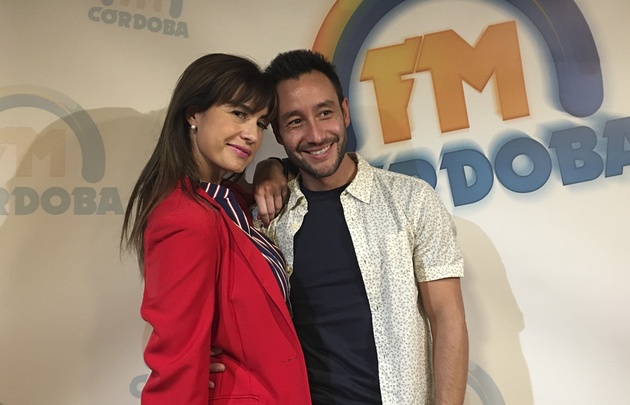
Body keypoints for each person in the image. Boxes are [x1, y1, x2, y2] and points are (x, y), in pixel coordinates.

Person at [253, 49, 469, 404]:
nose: (315, 134)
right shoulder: (267, 220)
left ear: (345, 112)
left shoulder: (411, 200)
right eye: (295, 121)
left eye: (325, 113)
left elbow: (447, 317)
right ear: (277, 131)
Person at [120, 53, 311, 404]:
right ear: (193, 113)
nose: (252, 135)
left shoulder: (228, 200)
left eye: (261, 123)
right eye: (239, 113)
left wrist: (272, 167)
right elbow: (176, 360)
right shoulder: (184, 217)